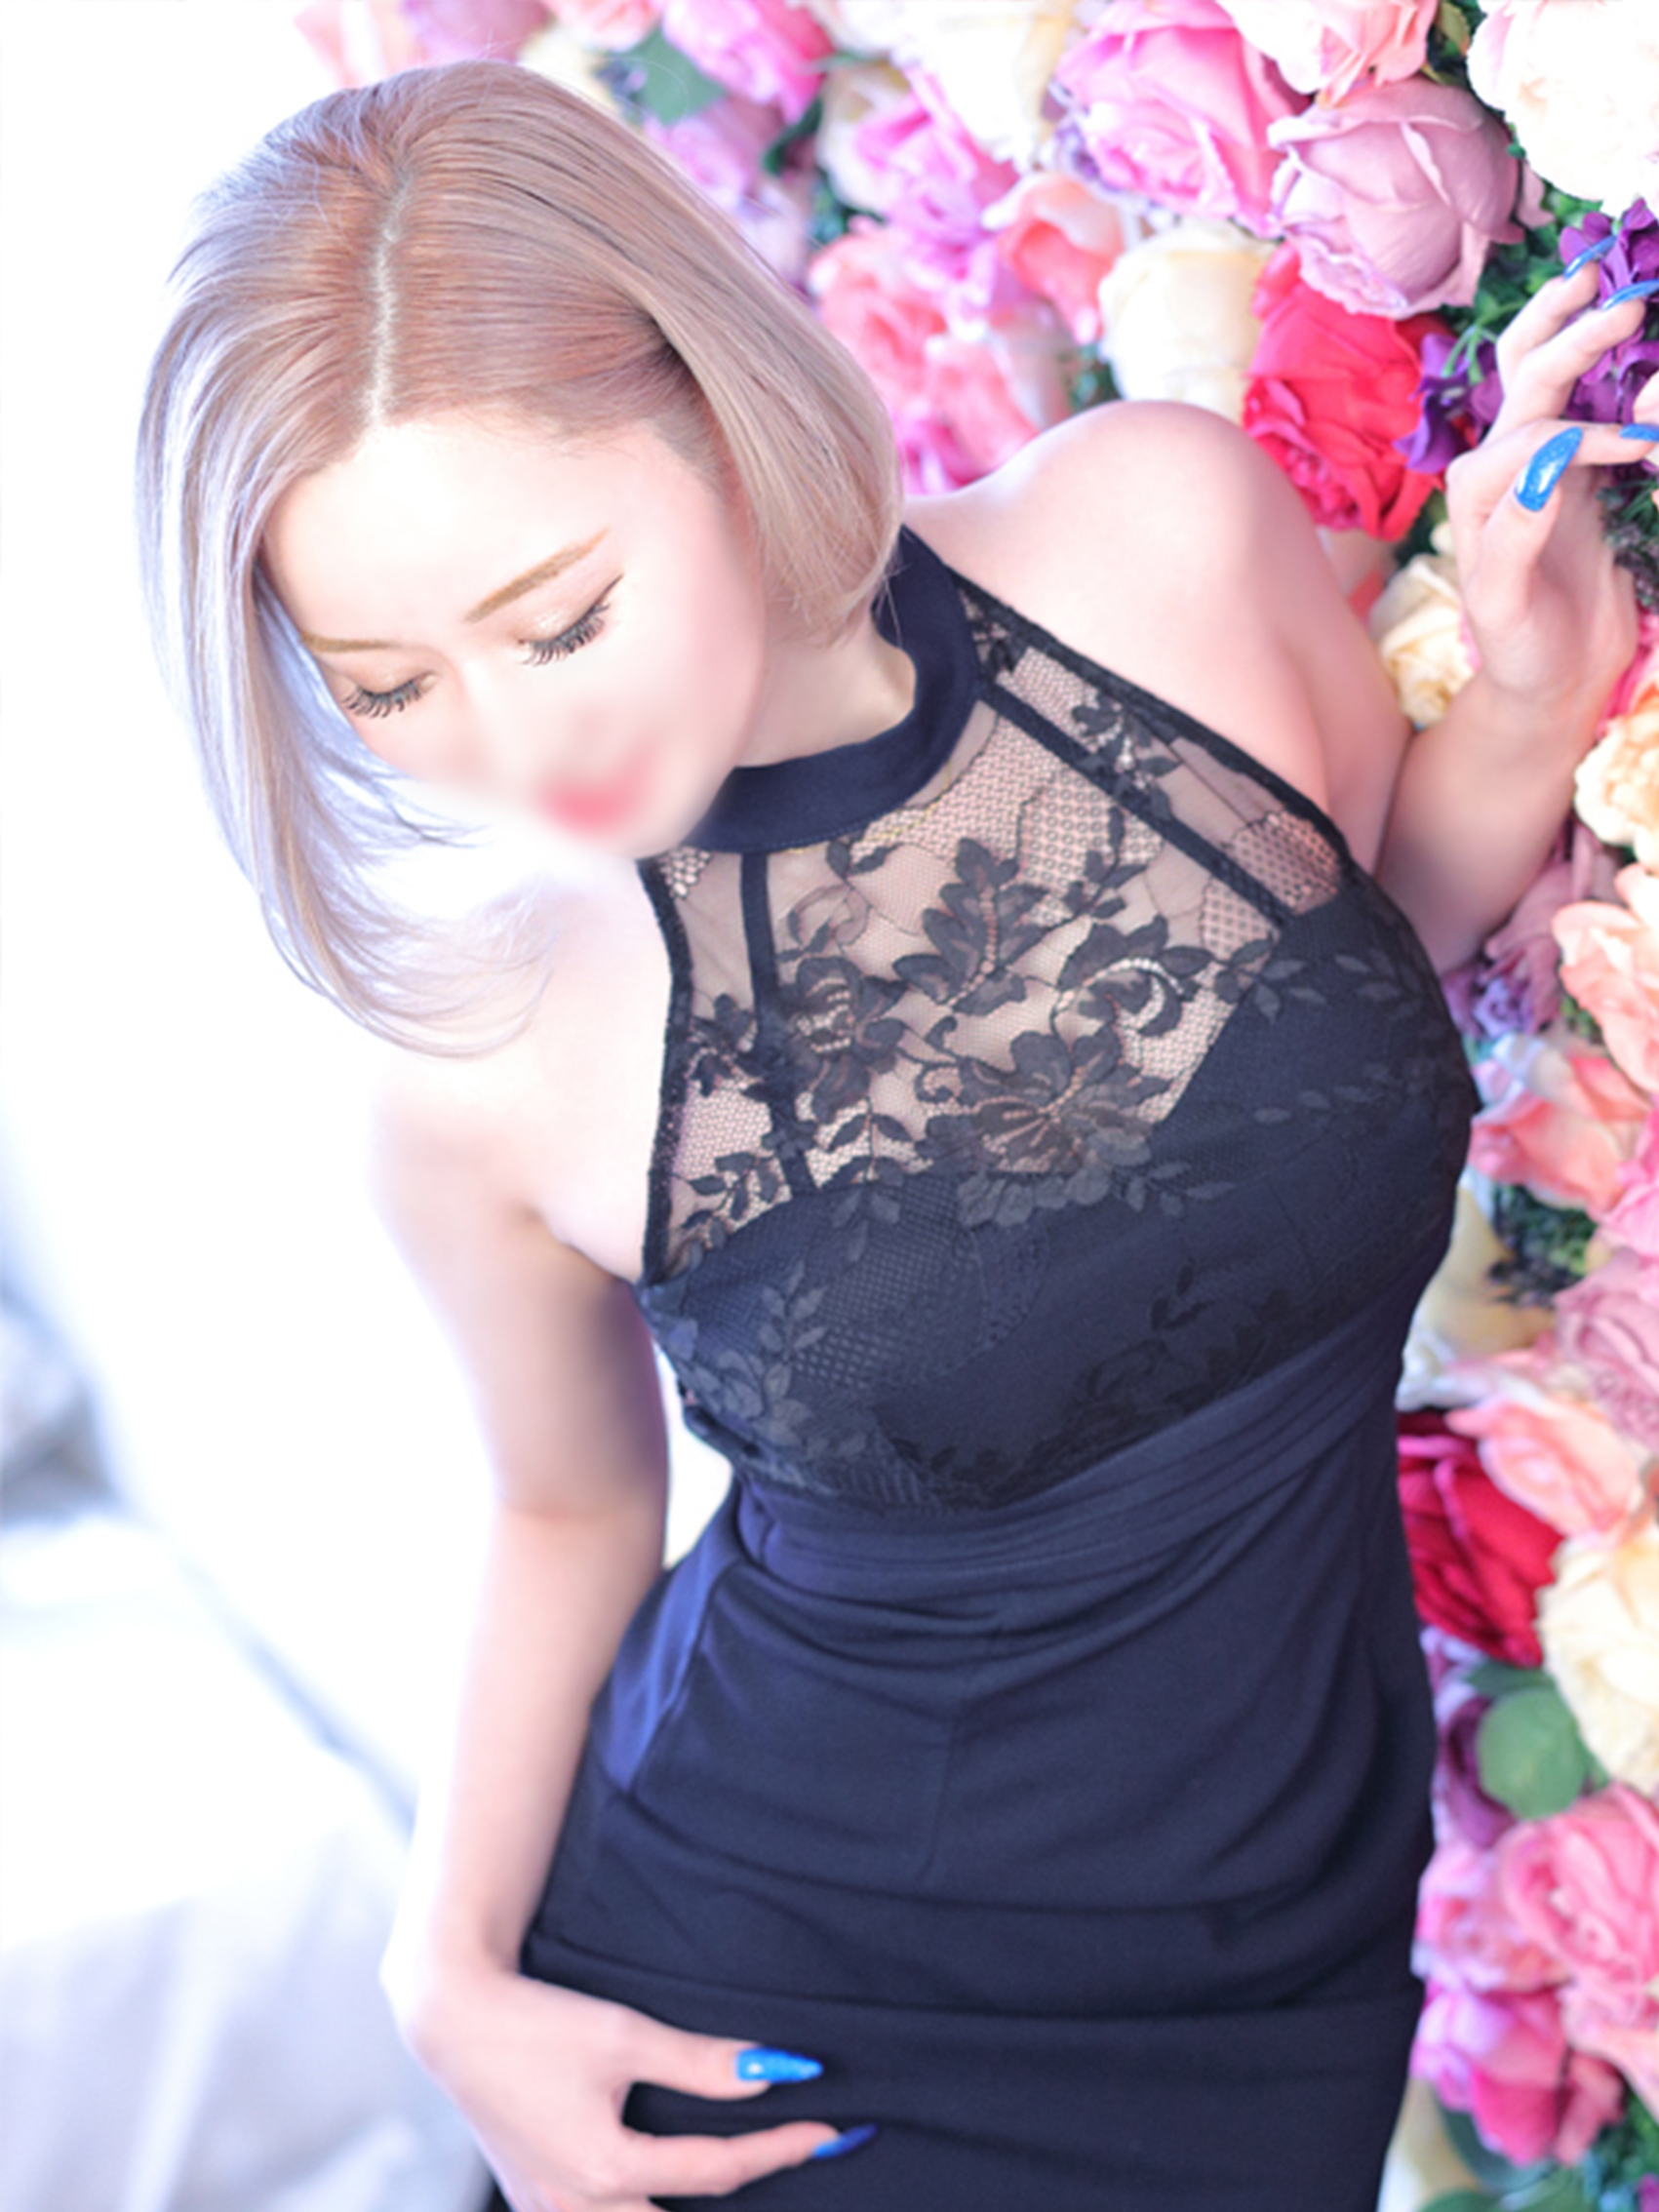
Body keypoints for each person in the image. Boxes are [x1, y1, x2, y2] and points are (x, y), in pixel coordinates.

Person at [137, 59, 1654, 2212]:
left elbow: (1337, 1004)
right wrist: (441, 1970)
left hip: (1290, 1964)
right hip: (781, 2019)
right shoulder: (488, 1054)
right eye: (387, 688)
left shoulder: (1151, 537)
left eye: (558, 618)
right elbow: (568, 1507)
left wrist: (1518, 701)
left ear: (718, 407)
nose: (516, 745)